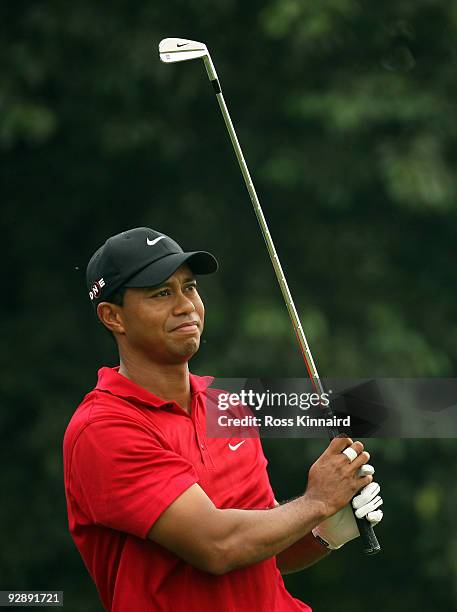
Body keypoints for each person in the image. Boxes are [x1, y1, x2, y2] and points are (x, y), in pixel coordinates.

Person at [63, 227, 383, 612]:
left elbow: (263, 550)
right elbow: (217, 547)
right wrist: (315, 502)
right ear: (113, 316)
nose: (185, 306)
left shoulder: (227, 408)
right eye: (162, 293)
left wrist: (323, 533)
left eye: (190, 287)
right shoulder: (103, 429)